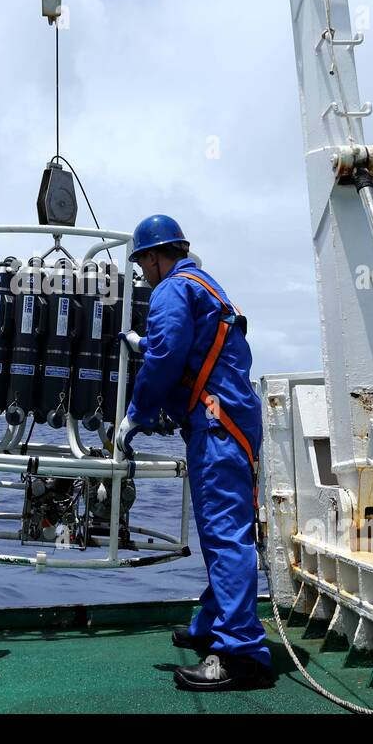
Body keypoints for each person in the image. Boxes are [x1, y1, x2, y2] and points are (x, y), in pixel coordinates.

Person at [115, 215, 273, 691]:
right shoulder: (203, 283)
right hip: (228, 417)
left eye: (143, 262)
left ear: (155, 256)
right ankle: (212, 625)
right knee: (218, 529)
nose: (143, 272)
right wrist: (147, 343)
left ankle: (242, 653)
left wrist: (136, 414)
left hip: (216, 422)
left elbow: (166, 358)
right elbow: (187, 343)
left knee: (226, 533)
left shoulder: (170, 289)